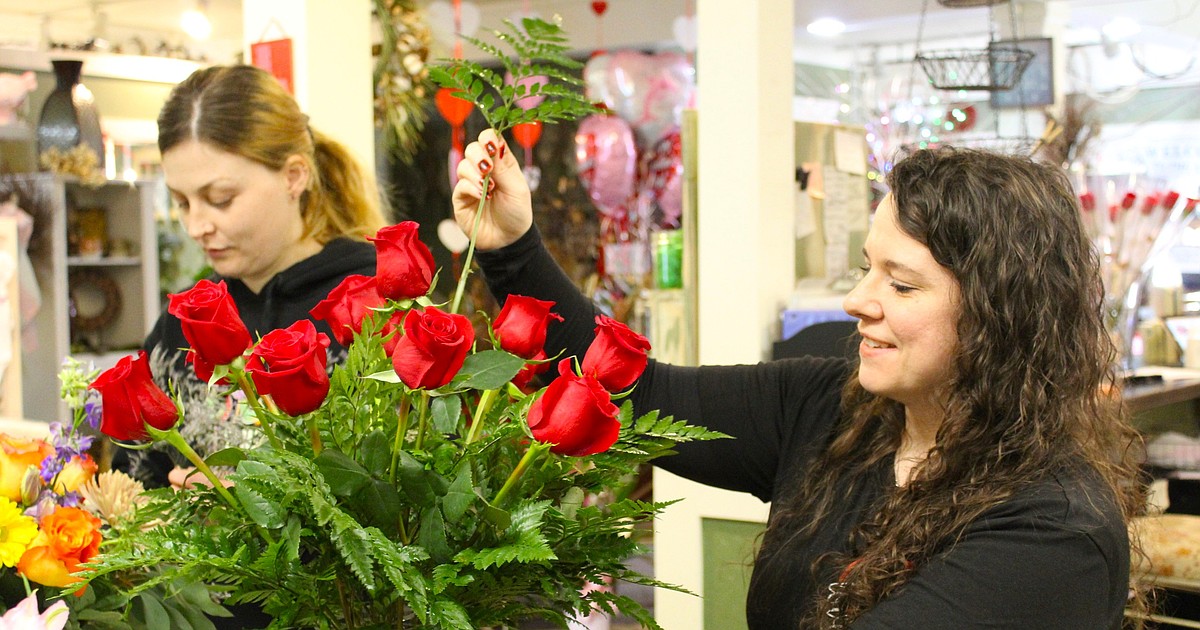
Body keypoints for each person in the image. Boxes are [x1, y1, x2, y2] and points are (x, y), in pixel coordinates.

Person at [452, 130, 1148, 628]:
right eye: (868, 267)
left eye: (902, 284)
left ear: (1001, 315)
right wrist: (512, 248)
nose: (857, 300)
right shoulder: (833, 409)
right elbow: (632, 391)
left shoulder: (1054, 529)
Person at [114, 65, 388, 490]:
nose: (196, 226)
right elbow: (126, 480)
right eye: (182, 202)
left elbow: (415, 488)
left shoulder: (374, 299)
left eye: (220, 199)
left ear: (293, 176)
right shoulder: (186, 320)